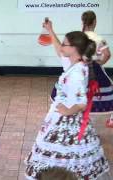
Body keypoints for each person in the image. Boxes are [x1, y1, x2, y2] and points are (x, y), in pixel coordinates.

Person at [25, 19, 110, 180]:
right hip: (62, 115)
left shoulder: (77, 72)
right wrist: (50, 30)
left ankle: (62, 176)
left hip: (67, 119)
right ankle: (62, 174)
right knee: (65, 153)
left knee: (66, 151)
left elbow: (82, 103)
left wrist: (67, 111)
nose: (61, 47)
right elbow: (59, 50)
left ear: (75, 49)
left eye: (65, 44)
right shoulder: (75, 63)